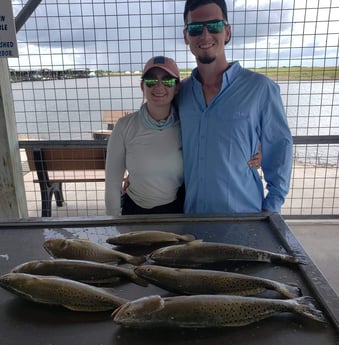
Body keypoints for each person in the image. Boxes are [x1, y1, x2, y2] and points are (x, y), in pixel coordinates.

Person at [105, 55, 262, 216]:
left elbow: (221, 137)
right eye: (151, 80)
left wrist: (256, 148)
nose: (159, 86)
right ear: (142, 86)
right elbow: (112, 181)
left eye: (168, 81)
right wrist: (114, 221)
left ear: (178, 87)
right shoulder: (124, 126)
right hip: (135, 211)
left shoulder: (186, 123)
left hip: (178, 211)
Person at [177, 0, 293, 214]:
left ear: (227, 32)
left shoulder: (260, 89)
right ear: (186, 36)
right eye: (195, 28)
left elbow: (279, 148)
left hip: (244, 216)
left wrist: (272, 206)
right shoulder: (180, 93)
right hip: (192, 218)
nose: (204, 35)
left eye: (214, 26)